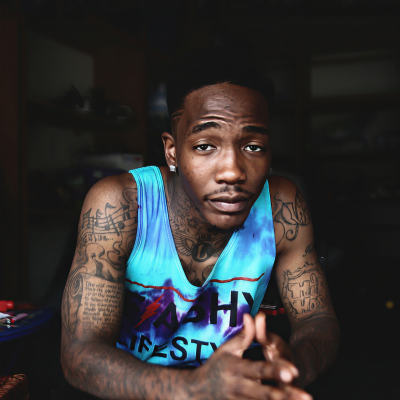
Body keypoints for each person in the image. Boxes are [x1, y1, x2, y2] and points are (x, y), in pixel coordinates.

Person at [61, 48, 340, 400]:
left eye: (254, 147)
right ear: (172, 151)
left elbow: (317, 319)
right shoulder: (121, 204)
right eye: (205, 146)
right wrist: (194, 388)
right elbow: (80, 353)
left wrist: (294, 365)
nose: (233, 172)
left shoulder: (282, 206)